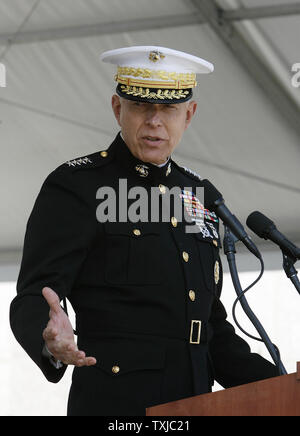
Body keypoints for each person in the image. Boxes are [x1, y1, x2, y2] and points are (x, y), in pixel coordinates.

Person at [10, 46, 278, 416]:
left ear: (189, 114)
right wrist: (48, 338)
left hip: (194, 405)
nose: (154, 121)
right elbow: (34, 295)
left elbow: (209, 329)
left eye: (168, 108)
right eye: (140, 106)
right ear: (118, 109)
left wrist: (279, 387)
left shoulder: (198, 195)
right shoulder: (77, 186)